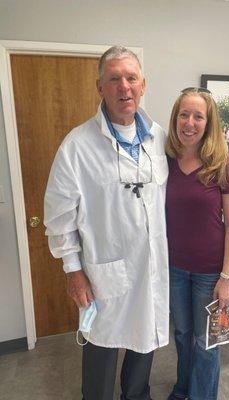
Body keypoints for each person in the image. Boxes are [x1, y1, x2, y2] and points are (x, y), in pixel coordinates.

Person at [44, 46, 169, 400]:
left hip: (151, 270)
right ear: (100, 87)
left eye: (131, 78)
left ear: (143, 85)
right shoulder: (77, 145)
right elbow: (59, 217)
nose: (123, 87)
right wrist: (73, 270)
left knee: (144, 342)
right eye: (114, 79)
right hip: (105, 271)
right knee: (101, 345)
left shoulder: (159, 138)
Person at [165, 87, 229, 400]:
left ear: (209, 123)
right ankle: (183, 389)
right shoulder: (165, 160)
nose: (189, 122)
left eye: (198, 116)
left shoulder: (224, 164)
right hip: (175, 269)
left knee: (206, 342)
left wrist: (226, 278)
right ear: (176, 118)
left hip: (211, 274)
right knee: (182, 335)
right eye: (184, 114)